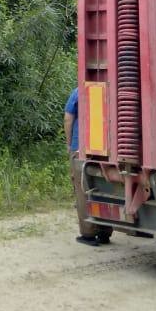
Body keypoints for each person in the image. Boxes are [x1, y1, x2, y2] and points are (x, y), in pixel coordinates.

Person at [65, 87, 112, 246]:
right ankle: (105, 233)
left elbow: (68, 118)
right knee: (105, 188)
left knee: (82, 189)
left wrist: (69, 144)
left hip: (81, 148)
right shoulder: (111, 89)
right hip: (106, 149)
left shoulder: (79, 92)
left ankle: (88, 234)